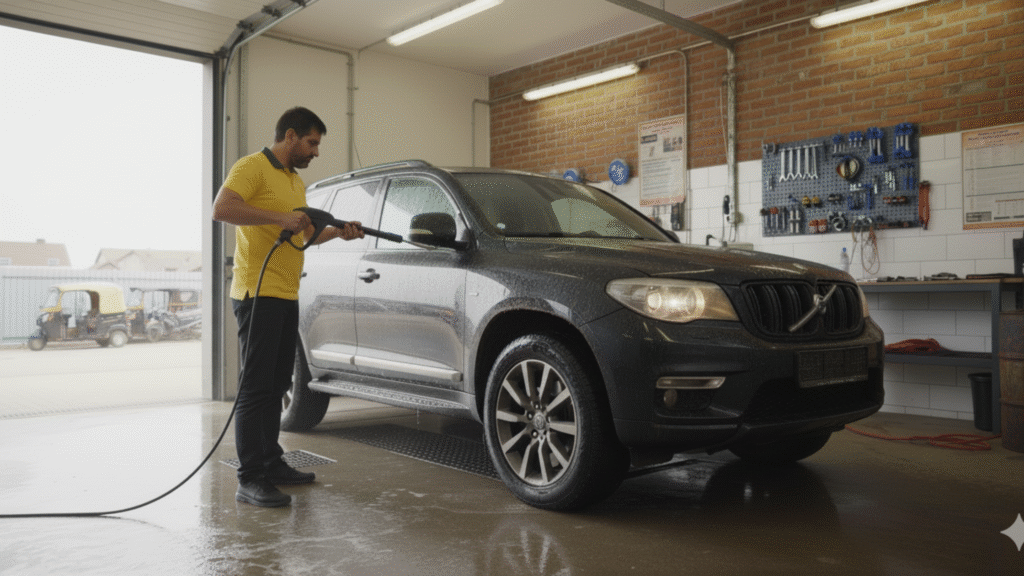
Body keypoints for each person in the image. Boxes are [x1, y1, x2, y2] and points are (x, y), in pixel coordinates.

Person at [212, 106, 363, 507]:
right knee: (257, 388)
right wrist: (280, 216)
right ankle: (250, 478)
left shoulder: (296, 183)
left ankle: (271, 461)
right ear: (291, 135)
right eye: (312, 143)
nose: (315, 152)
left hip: (286, 293)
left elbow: (303, 236)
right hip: (256, 293)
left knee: (278, 385)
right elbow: (222, 209)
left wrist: (338, 234)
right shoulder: (252, 167)